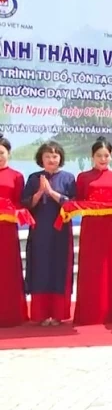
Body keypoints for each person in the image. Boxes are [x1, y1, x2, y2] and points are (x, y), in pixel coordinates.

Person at [73, 136, 112, 325]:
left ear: (111, 156)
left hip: (108, 228)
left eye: (106, 155)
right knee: (91, 268)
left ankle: (111, 312)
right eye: (99, 155)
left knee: (109, 266)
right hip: (90, 228)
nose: (103, 159)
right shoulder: (83, 177)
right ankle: (89, 312)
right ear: (92, 156)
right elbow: (78, 201)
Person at [22, 142, 76, 326]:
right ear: (41, 159)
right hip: (40, 233)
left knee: (59, 269)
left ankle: (58, 314)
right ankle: (40, 314)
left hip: (61, 232)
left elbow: (72, 204)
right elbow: (26, 204)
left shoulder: (68, 178)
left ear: (60, 158)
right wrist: (39, 193)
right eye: (47, 156)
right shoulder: (33, 178)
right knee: (40, 269)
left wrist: (51, 192)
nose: (51, 160)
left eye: (55, 156)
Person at [0, 133, 27, 327]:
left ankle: (11, 314)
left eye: (2, 153)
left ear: (8, 153)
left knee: (8, 271)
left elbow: (20, 204)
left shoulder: (16, 176)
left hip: (7, 230)